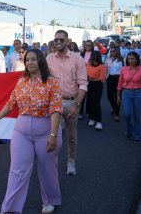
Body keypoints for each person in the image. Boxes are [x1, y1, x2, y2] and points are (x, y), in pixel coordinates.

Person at [0, 49, 63, 214]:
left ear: (40, 62)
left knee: (47, 168)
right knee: (18, 171)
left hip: (46, 130)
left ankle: (50, 201)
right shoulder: (21, 81)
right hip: (22, 131)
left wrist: (53, 134)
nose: (29, 62)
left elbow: (56, 109)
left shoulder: (52, 82)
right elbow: (11, 103)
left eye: (33, 59)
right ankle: (9, 209)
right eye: (27, 60)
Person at [47, 29, 88, 176]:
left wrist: (77, 105)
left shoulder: (78, 59)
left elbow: (83, 84)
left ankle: (71, 161)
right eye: (56, 39)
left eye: (61, 40)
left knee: (72, 136)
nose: (58, 42)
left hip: (72, 103)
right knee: (53, 134)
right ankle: (52, 161)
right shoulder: (49, 59)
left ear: (68, 41)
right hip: (55, 103)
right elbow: (44, 80)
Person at [117, 52, 141, 143]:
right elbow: (120, 83)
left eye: (132, 59)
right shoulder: (123, 69)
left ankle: (137, 135)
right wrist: (118, 95)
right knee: (127, 114)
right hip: (126, 93)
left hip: (138, 93)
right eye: (129, 59)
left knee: (136, 115)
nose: (130, 60)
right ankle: (129, 129)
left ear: (136, 60)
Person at [86, 51, 106, 130]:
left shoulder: (101, 66)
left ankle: (99, 121)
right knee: (90, 101)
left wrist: (91, 79)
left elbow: (101, 79)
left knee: (96, 102)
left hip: (97, 85)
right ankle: (92, 118)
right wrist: (88, 78)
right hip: (90, 84)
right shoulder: (88, 65)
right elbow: (86, 74)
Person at [105, 47, 123, 122]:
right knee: (109, 96)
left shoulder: (121, 60)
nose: (112, 52)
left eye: (113, 51)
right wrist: (105, 77)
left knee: (117, 96)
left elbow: (124, 71)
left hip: (118, 78)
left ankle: (117, 114)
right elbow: (105, 69)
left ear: (117, 52)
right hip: (110, 78)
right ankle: (115, 107)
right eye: (111, 51)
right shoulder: (108, 59)